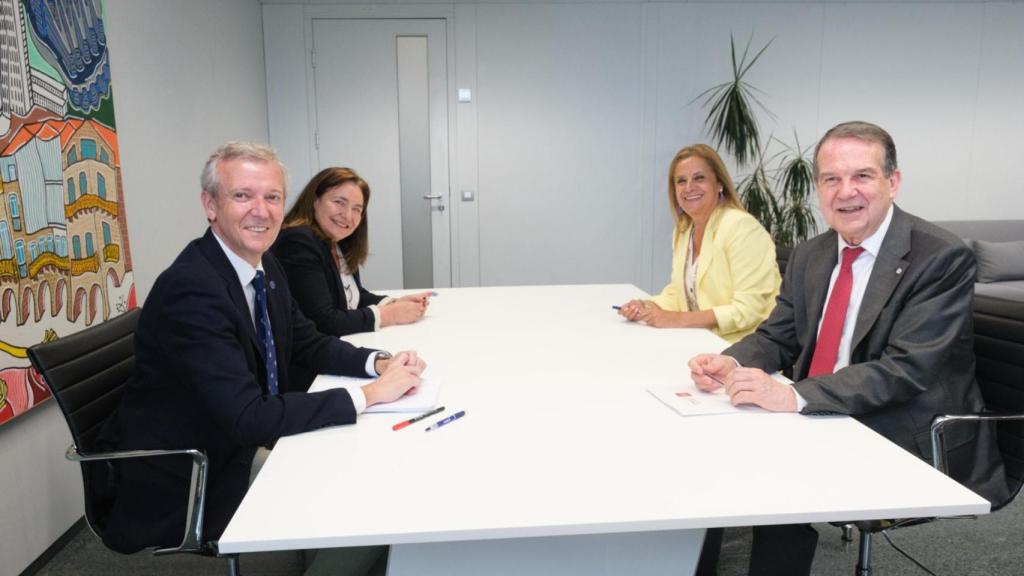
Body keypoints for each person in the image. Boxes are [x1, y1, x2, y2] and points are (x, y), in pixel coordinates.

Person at [688, 122, 1008, 575]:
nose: (846, 192)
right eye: (831, 179)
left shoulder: (939, 258)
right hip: (831, 407)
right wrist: (732, 360)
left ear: (892, 182)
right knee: (714, 444)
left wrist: (795, 396)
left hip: (906, 424)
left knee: (777, 479)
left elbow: (906, 370)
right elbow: (779, 335)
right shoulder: (811, 254)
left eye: (862, 176)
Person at [94, 143, 425, 562]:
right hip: (195, 470)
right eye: (242, 195)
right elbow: (248, 417)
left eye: (272, 197)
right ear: (210, 205)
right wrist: (371, 395)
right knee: (364, 502)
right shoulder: (192, 289)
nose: (261, 210)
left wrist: (376, 362)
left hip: (237, 439)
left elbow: (304, 339)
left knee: (366, 466)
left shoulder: (262, 264)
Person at [618, 144, 780, 343]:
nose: (689, 188)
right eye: (681, 181)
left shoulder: (741, 228)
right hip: (701, 342)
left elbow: (748, 310)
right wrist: (646, 306)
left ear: (719, 183)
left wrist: (676, 319)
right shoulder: (684, 230)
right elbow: (679, 293)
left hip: (745, 349)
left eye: (699, 178)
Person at [272, 167, 431, 339]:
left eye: (357, 209)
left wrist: (394, 303)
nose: (348, 215)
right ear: (315, 200)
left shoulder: (338, 241)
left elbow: (353, 296)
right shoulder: (298, 241)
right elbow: (323, 321)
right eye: (339, 202)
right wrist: (389, 314)